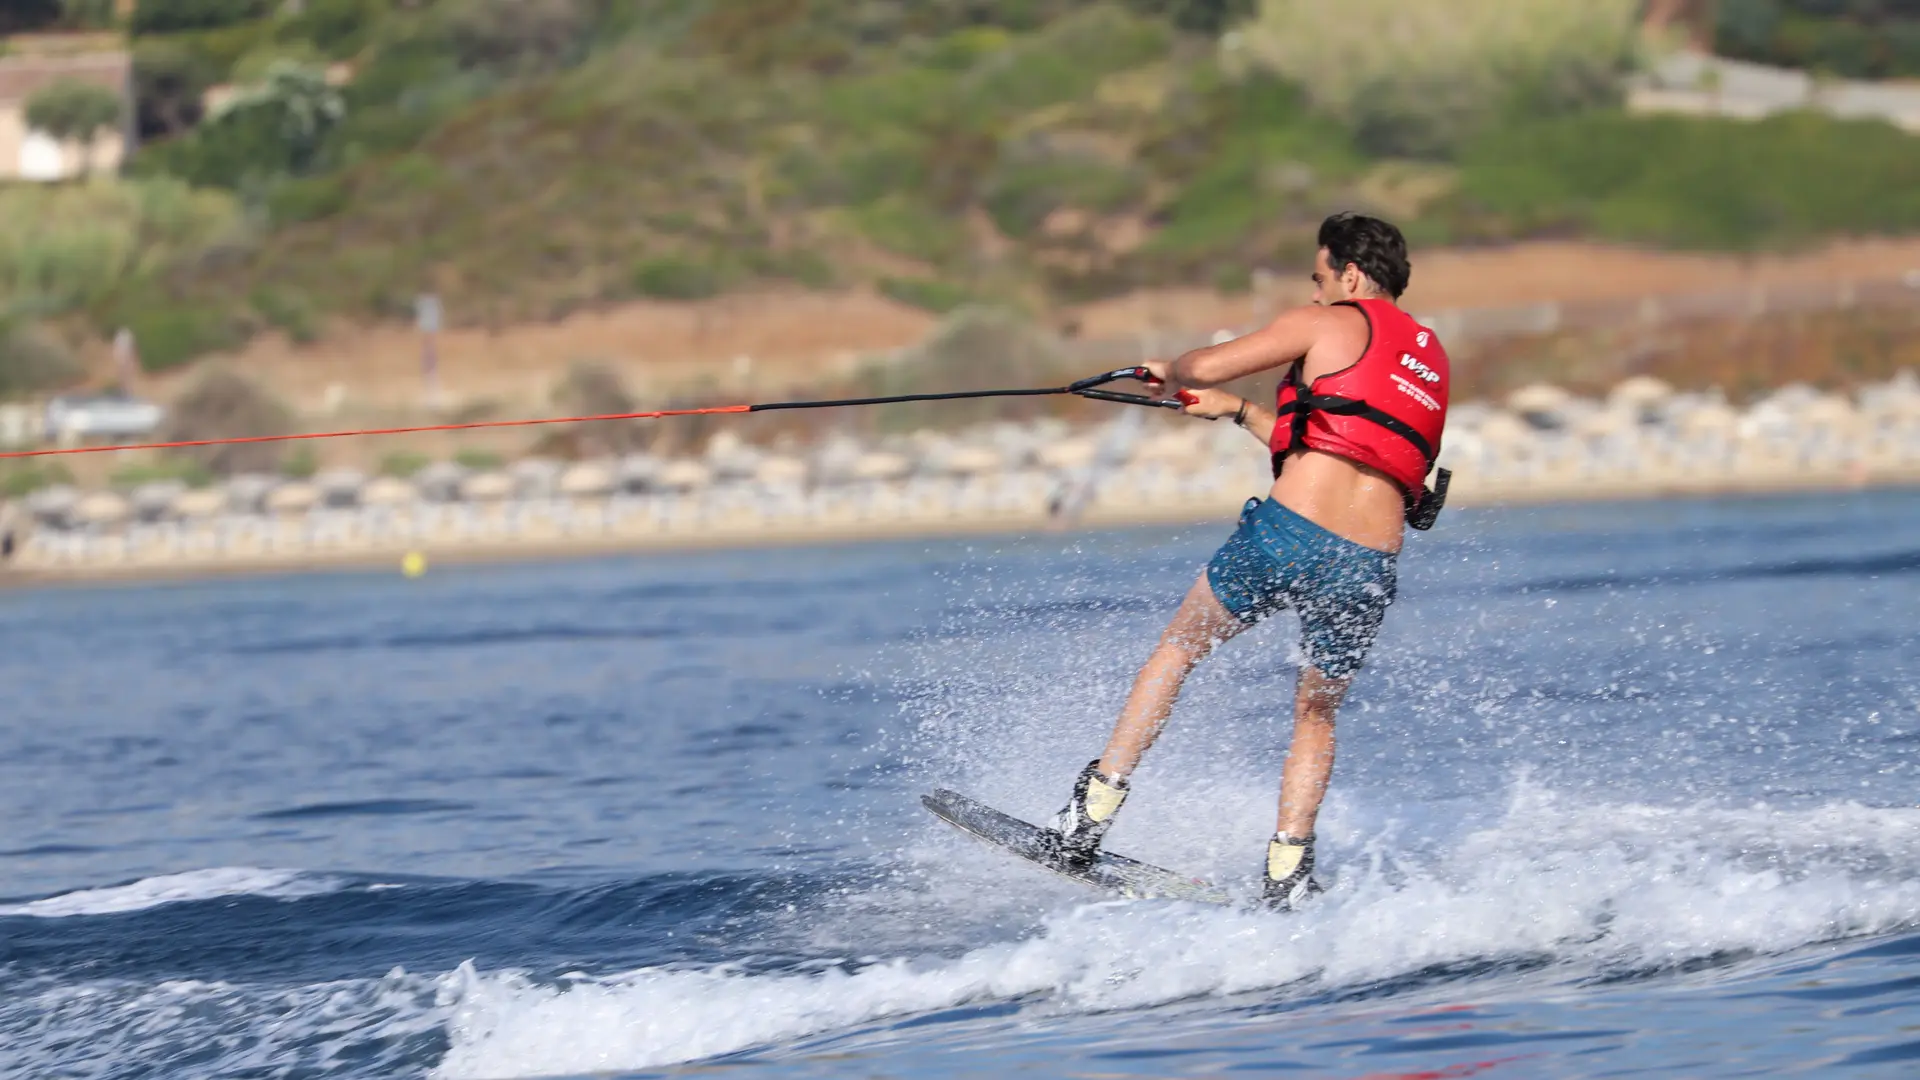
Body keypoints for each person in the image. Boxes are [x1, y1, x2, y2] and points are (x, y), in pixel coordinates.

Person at [1044, 213, 1452, 910]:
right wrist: (1236, 412)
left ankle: (1087, 820)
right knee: (1316, 714)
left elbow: (1201, 365)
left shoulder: (1330, 321)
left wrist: (1168, 373)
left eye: (1321, 276)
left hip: (1289, 532)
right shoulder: (1430, 356)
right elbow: (1347, 443)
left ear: (1350, 274)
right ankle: (1288, 871)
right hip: (1368, 563)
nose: (1319, 289)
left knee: (1177, 650)